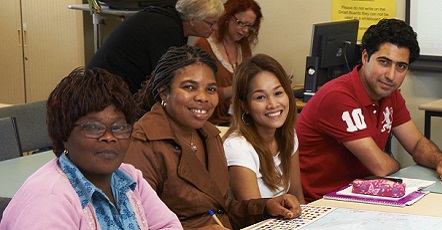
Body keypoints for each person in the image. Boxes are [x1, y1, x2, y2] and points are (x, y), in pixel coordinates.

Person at [125, 45, 301, 229]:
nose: (203, 97)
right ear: (164, 93)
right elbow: (136, 223)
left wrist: (266, 207)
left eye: (210, 89)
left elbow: (221, 208)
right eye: (189, 87)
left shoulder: (209, 134)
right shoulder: (143, 143)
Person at [297, 18, 442, 202]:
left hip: (361, 197)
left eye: (401, 66)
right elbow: (380, 167)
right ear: (365, 57)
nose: (391, 76)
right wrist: (398, 164)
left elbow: (416, 144)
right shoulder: (338, 96)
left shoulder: (389, 94)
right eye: (384, 62)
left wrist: (439, 161)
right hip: (320, 204)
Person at [0, 67, 181, 229]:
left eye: (119, 127)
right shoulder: (48, 201)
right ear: (63, 132)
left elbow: (168, 225)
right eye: (93, 127)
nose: (109, 137)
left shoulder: (129, 179)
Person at [87, 0, 225, 94]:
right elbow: (165, 80)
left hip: (109, 84)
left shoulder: (171, 22)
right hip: (104, 90)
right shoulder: (166, 29)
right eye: (210, 23)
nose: (215, 28)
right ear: (192, 20)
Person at [222, 54, 305, 203]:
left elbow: (297, 198)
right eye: (260, 97)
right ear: (244, 105)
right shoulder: (237, 146)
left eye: (278, 93)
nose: (273, 104)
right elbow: (254, 216)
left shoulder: (288, 136)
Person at [194, 0, 263, 125]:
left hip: (238, 120)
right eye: (241, 23)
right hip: (211, 121)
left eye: (249, 26)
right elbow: (197, 92)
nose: (245, 30)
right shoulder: (204, 45)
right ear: (226, 17)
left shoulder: (243, 46)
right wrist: (228, 91)